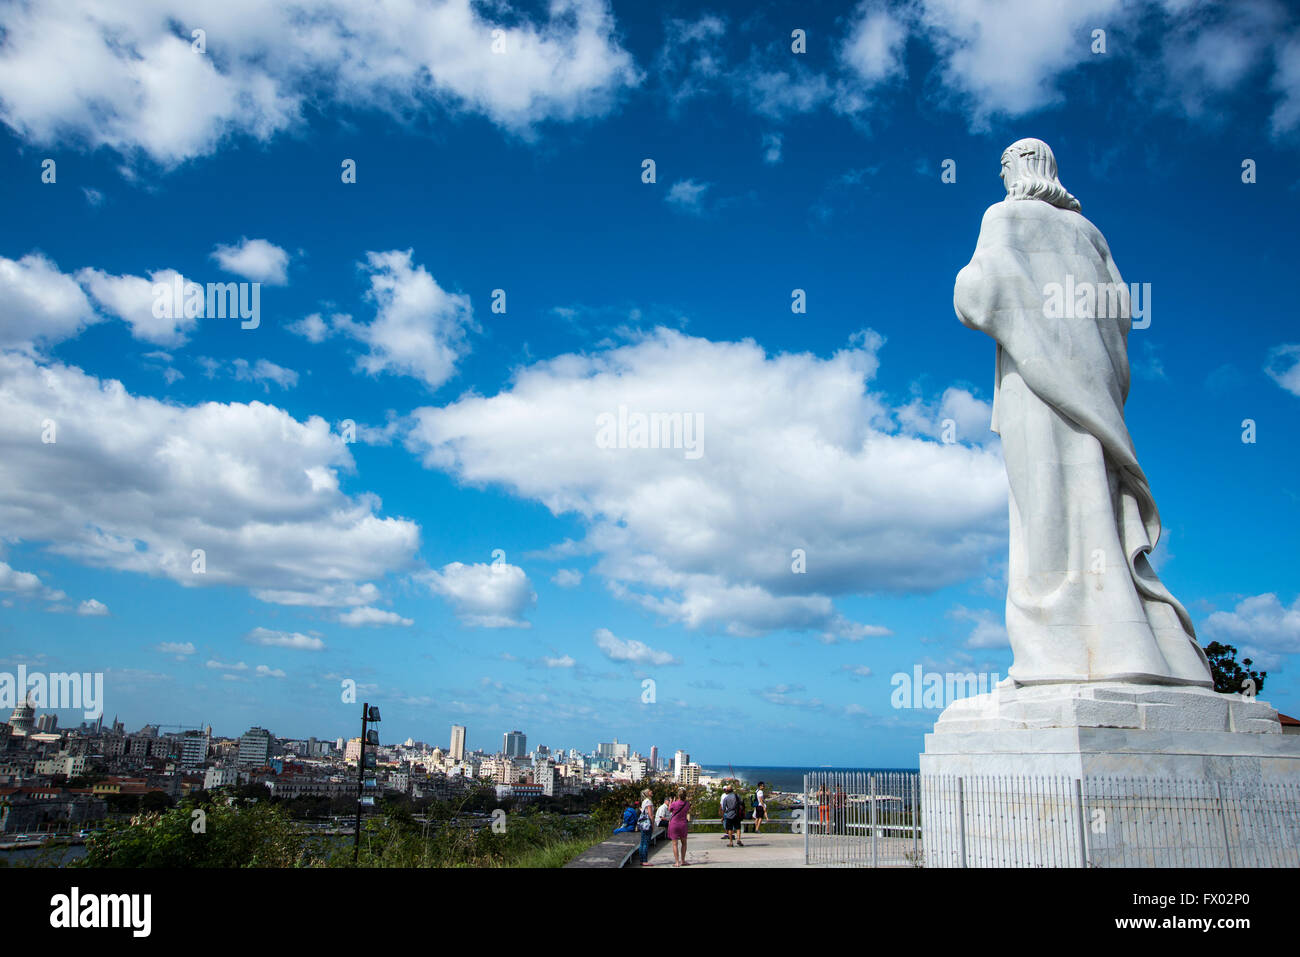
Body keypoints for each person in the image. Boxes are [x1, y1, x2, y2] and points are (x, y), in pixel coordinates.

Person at [667, 787, 691, 866]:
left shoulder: (674, 803)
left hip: (674, 824)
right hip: (683, 824)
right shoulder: (687, 804)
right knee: (684, 843)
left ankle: (677, 862)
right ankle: (683, 860)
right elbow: (687, 811)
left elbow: (669, 809)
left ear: (678, 795)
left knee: (675, 844)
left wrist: (671, 802)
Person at [637, 788, 655, 866]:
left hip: (643, 823)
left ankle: (641, 859)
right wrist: (653, 824)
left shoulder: (644, 801)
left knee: (642, 841)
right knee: (646, 842)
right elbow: (650, 814)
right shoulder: (649, 802)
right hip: (647, 824)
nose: (652, 792)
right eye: (650, 791)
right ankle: (644, 860)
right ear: (648, 793)